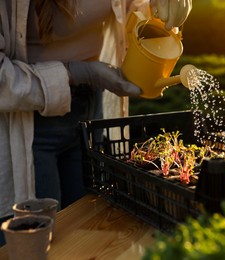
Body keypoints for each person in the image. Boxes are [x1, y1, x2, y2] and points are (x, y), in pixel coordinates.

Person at [0, 0, 192, 246]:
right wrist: (77, 72)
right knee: (43, 243)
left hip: (91, 111)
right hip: (27, 122)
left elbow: (135, 6)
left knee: (90, 234)